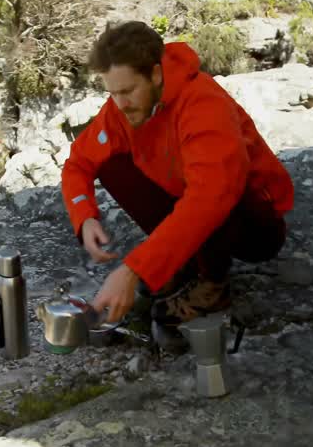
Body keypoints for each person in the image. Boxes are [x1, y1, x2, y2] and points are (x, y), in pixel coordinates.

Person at [60, 20, 295, 336]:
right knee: (111, 163)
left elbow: (209, 199)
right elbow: (78, 162)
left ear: (155, 74)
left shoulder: (202, 104)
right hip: (189, 197)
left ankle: (213, 284)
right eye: (112, 93)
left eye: (128, 91)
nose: (120, 104)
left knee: (216, 190)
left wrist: (133, 270)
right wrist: (84, 216)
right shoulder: (121, 109)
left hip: (254, 226)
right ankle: (182, 263)